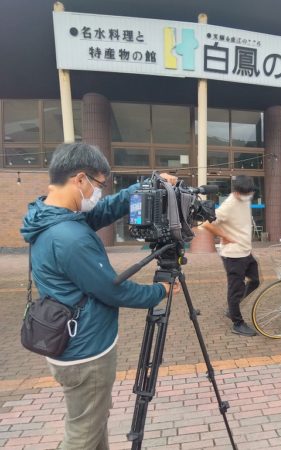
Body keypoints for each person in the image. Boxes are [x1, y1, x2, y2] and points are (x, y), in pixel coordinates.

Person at [20, 143, 180, 449]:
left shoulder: (49, 215)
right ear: (80, 179)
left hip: (67, 340)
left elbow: (104, 210)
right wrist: (158, 291)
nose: (99, 193)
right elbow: (112, 289)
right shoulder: (70, 237)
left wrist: (146, 186)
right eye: (98, 184)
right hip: (86, 352)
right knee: (82, 434)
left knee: (89, 423)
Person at [202, 175, 260, 337]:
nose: (248, 195)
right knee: (236, 289)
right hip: (233, 256)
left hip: (246, 252)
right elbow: (207, 224)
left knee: (255, 281)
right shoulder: (229, 204)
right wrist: (224, 236)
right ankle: (237, 323)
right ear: (236, 192)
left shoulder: (245, 199)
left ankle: (232, 308)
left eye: (250, 192)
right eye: (245, 193)